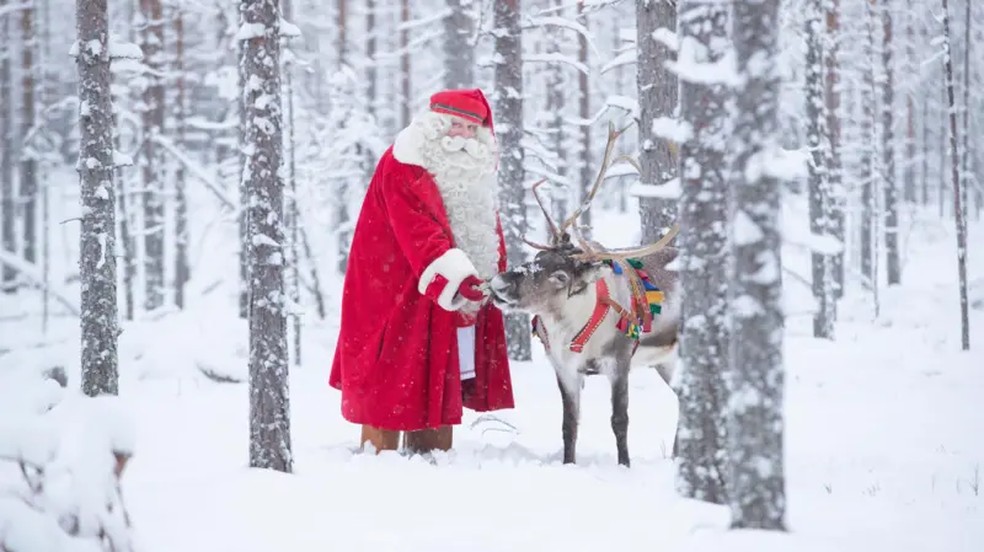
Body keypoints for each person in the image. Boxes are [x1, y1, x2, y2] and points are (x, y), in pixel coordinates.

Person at [329, 88, 515, 456]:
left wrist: (491, 276)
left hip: (449, 293)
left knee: (437, 374)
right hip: (397, 287)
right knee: (391, 377)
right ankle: (375, 460)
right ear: (435, 125)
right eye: (455, 126)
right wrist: (459, 280)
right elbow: (419, 231)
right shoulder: (405, 164)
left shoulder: (472, 173)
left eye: (470, 129)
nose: (462, 137)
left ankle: (431, 458)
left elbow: (481, 228)